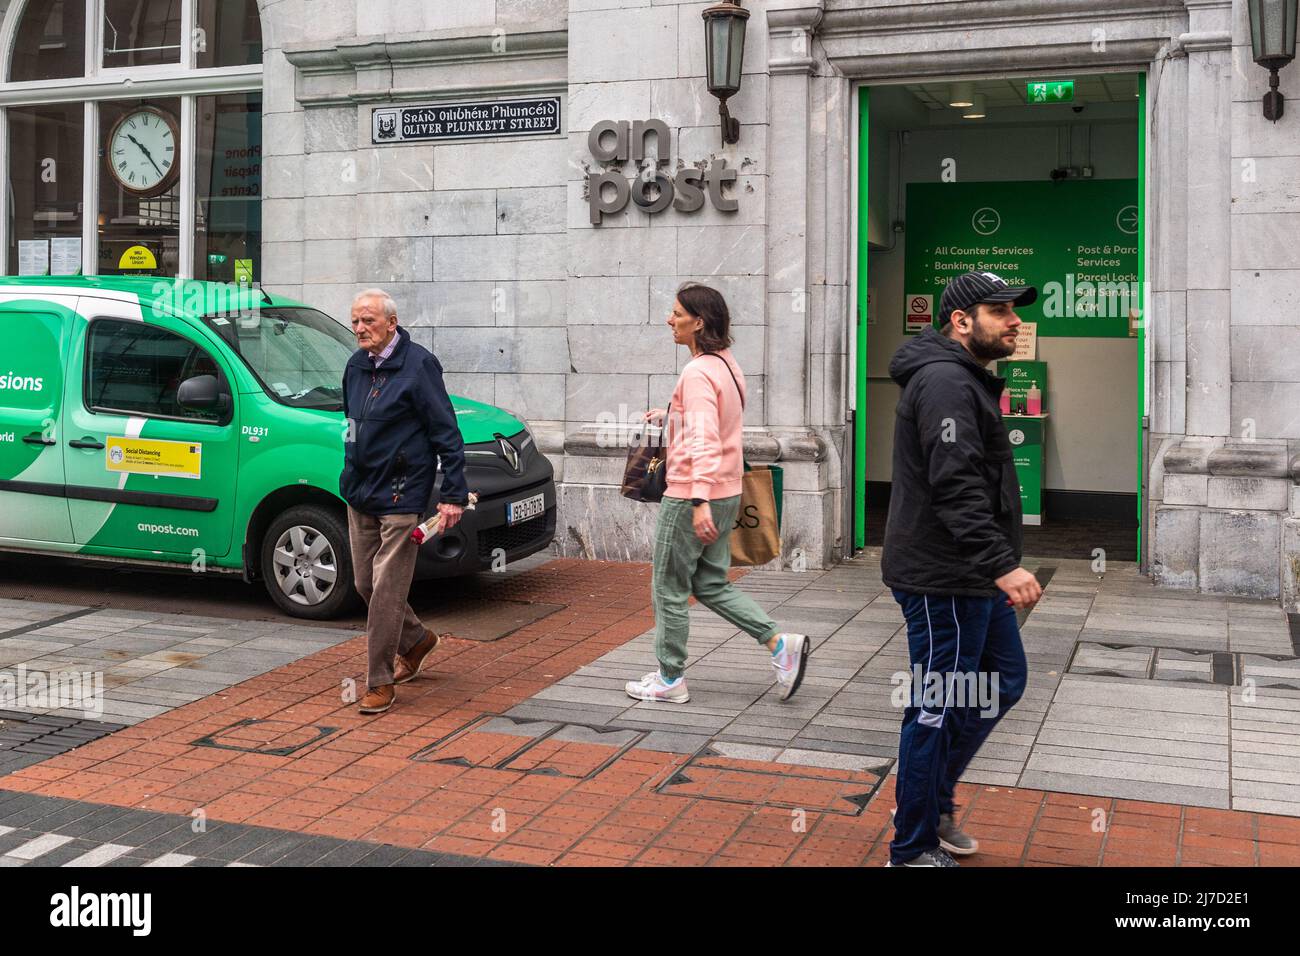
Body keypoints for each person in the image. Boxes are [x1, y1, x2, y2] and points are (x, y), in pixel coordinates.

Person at [882, 271, 1043, 867]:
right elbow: (955, 485)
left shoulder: (966, 379)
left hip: (967, 575)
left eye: (1012, 310)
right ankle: (913, 846)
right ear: (960, 321)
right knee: (935, 704)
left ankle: (927, 801)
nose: (1013, 320)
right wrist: (1002, 566)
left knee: (1003, 679)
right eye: (999, 310)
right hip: (942, 578)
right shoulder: (948, 381)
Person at [624, 283, 810, 705]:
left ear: (699, 322)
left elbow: (706, 437)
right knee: (709, 582)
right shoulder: (726, 364)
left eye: (676, 314)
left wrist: (698, 499)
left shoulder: (697, 371)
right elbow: (717, 423)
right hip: (727, 489)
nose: (669, 321)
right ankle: (780, 644)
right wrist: (671, 414)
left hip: (695, 492)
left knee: (668, 586)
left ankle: (670, 678)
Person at [340, 288, 469, 715]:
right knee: (364, 583)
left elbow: (446, 433)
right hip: (360, 491)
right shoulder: (356, 365)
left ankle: (379, 683)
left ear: (391, 324)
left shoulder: (419, 366)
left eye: (368, 321)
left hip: (400, 494)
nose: (360, 328)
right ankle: (416, 640)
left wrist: (452, 494)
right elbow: (352, 423)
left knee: (385, 593)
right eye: (356, 321)